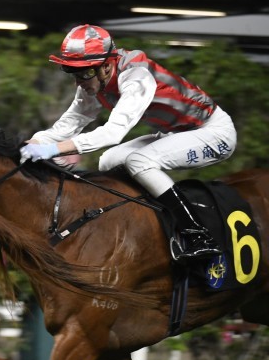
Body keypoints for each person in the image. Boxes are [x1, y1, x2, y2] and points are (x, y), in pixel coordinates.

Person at [19, 24, 236, 261]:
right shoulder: (95, 80)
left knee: (139, 161)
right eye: (72, 72)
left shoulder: (137, 76)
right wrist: (33, 142)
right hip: (176, 133)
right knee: (108, 161)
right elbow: (71, 122)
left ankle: (198, 235)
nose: (79, 81)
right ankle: (143, 221)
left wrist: (52, 150)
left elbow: (112, 134)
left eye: (84, 73)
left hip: (214, 132)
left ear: (106, 66)